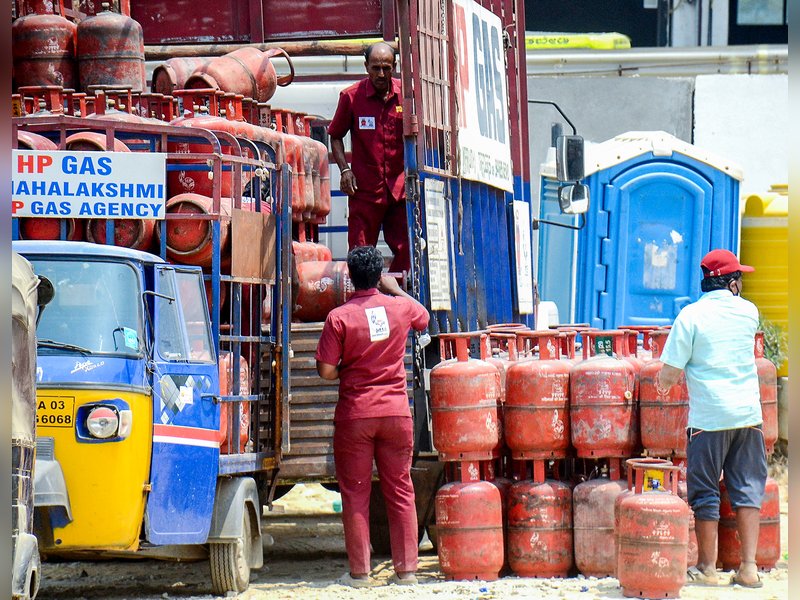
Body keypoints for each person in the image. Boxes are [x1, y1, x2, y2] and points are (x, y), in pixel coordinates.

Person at [315, 245, 429, 587]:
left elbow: (325, 371)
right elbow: (423, 316)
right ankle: (407, 571)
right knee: (400, 490)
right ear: (379, 275)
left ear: (349, 277)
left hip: (356, 416)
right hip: (396, 414)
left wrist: (347, 371)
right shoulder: (400, 308)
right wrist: (394, 289)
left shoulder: (339, 317)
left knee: (355, 493)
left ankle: (360, 574)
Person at [657, 248, 766, 589]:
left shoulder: (690, 317)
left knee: (705, 492)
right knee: (747, 490)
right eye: (739, 278)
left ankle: (706, 568)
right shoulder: (749, 312)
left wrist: (662, 385)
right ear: (730, 282)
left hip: (709, 419)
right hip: (748, 415)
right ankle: (748, 569)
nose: (742, 284)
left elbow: (670, 372)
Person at [328, 42, 410, 273]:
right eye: (376, 68)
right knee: (360, 253)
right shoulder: (351, 97)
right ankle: (364, 299)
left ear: (394, 67)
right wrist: (345, 170)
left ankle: (396, 296)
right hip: (364, 191)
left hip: (400, 192)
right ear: (366, 67)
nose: (381, 74)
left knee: (408, 250)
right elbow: (335, 136)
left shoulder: (408, 97)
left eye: (386, 68)